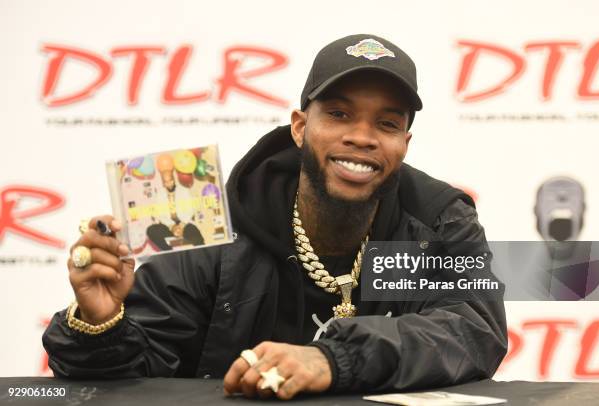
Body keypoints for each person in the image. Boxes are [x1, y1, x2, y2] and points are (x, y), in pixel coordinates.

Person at [43, 34, 507, 400]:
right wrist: (100, 324)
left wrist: (332, 359)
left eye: (386, 124)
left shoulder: (437, 221)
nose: (362, 137)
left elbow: (473, 330)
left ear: (405, 143)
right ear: (301, 128)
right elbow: (132, 377)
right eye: (340, 114)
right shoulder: (213, 222)